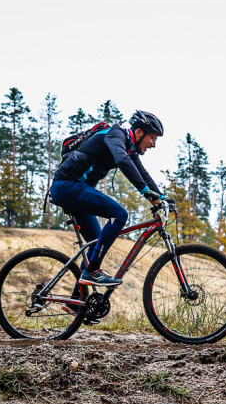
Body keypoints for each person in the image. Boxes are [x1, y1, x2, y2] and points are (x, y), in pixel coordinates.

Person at [49, 110, 167, 288]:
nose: (153, 144)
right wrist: (145, 192)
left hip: (76, 190)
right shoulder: (115, 134)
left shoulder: (128, 148)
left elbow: (143, 174)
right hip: (67, 186)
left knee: (95, 243)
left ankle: (77, 305)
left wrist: (163, 198)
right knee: (119, 214)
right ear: (139, 132)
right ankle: (92, 271)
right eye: (153, 138)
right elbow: (122, 160)